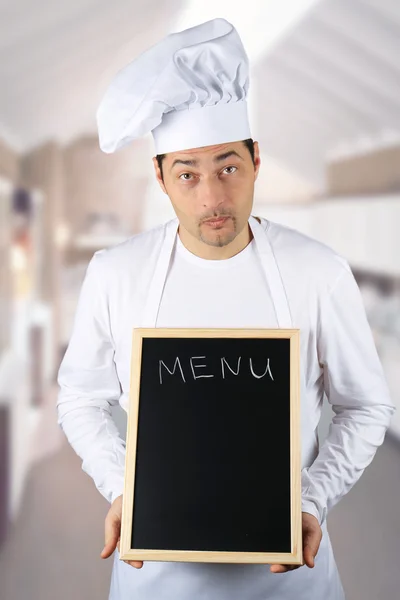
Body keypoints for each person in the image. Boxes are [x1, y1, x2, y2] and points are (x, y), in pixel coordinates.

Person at [56, 17, 396, 600]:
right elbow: (80, 398)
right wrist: (122, 490)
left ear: (256, 159)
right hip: (155, 578)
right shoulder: (115, 274)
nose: (212, 198)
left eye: (228, 168)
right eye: (187, 175)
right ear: (160, 178)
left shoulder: (319, 271)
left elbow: (364, 407)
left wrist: (312, 500)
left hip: (292, 577)